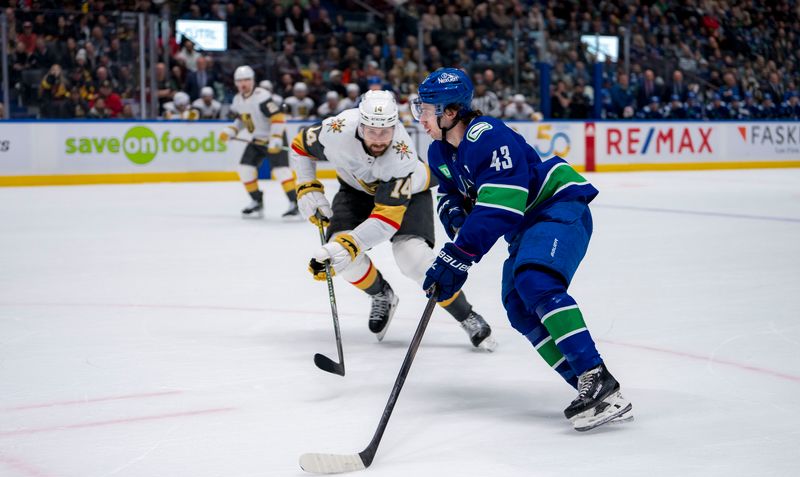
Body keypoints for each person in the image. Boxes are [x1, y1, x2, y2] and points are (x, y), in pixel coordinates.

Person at [411, 68, 632, 431]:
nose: (420, 117)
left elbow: (502, 206)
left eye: (427, 109)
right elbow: (450, 193)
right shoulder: (439, 153)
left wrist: (459, 255)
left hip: (557, 208)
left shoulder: (488, 136)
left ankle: (598, 378)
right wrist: (452, 212)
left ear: (450, 112)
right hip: (526, 229)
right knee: (517, 305)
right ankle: (586, 385)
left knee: (535, 281)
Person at [290, 90, 496, 349]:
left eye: (386, 131)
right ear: (360, 125)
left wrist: (347, 245)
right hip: (355, 191)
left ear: (395, 125)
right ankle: (381, 294)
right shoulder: (336, 129)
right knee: (341, 259)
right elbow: (300, 146)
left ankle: (466, 314)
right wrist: (307, 185)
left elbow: (385, 221)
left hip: (410, 193)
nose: (379, 139)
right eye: (372, 131)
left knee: (412, 258)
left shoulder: (402, 157)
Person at [219, 65, 298, 218]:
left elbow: (278, 117)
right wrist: (231, 130)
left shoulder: (262, 96)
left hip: (274, 137)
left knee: (281, 171)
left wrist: (275, 138)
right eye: (240, 80)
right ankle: (257, 201)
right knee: (244, 170)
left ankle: (294, 203)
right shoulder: (237, 100)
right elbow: (242, 119)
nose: (243, 83)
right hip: (256, 139)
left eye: (247, 80)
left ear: (253, 81)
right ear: (235, 83)